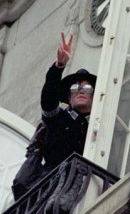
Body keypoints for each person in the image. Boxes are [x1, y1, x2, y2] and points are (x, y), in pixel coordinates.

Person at [41, 32, 97, 169]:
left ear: (95, 97)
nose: (81, 90)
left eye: (88, 88)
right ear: (68, 97)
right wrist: (59, 66)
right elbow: (48, 100)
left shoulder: (99, 125)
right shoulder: (58, 119)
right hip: (55, 186)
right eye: (75, 87)